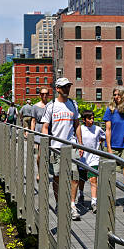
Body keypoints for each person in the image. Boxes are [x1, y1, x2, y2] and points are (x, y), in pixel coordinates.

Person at [41, 78, 83, 221]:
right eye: (64, 87)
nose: (67, 89)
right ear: (58, 89)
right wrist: (46, 145)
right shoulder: (51, 106)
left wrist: (80, 143)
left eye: (68, 86)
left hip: (71, 145)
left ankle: (71, 205)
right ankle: (59, 203)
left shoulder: (73, 104)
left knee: (75, 176)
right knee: (57, 177)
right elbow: (45, 127)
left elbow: (77, 124)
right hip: (56, 147)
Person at [103, 85, 124, 215]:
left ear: (123, 96)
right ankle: (109, 199)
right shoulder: (110, 110)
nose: (116, 97)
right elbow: (108, 130)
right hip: (113, 145)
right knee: (110, 173)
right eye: (115, 95)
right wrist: (109, 149)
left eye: (118, 95)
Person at [78, 110, 105, 213]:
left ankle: (94, 202)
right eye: (89, 119)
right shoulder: (80, 129)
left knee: (93, 179)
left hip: (94, 157)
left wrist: (98, 143)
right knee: (82, 179)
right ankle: (81, 194)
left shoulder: (97, 129)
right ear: (84, 120)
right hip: (83, 158)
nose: (92, 120)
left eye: (93, 118)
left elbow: (103, 137)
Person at [31, 88, 51, 181]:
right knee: (40, 154)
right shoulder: (35, 107)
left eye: (46, 94)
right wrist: (32, 133)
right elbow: (33, 120)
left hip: (50, 130)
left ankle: (46, 171)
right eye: (42, 94)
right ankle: (40, 172)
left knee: (48, 153)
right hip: (39, 130)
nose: (44, 95)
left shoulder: (51, 106)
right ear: (40, 95)